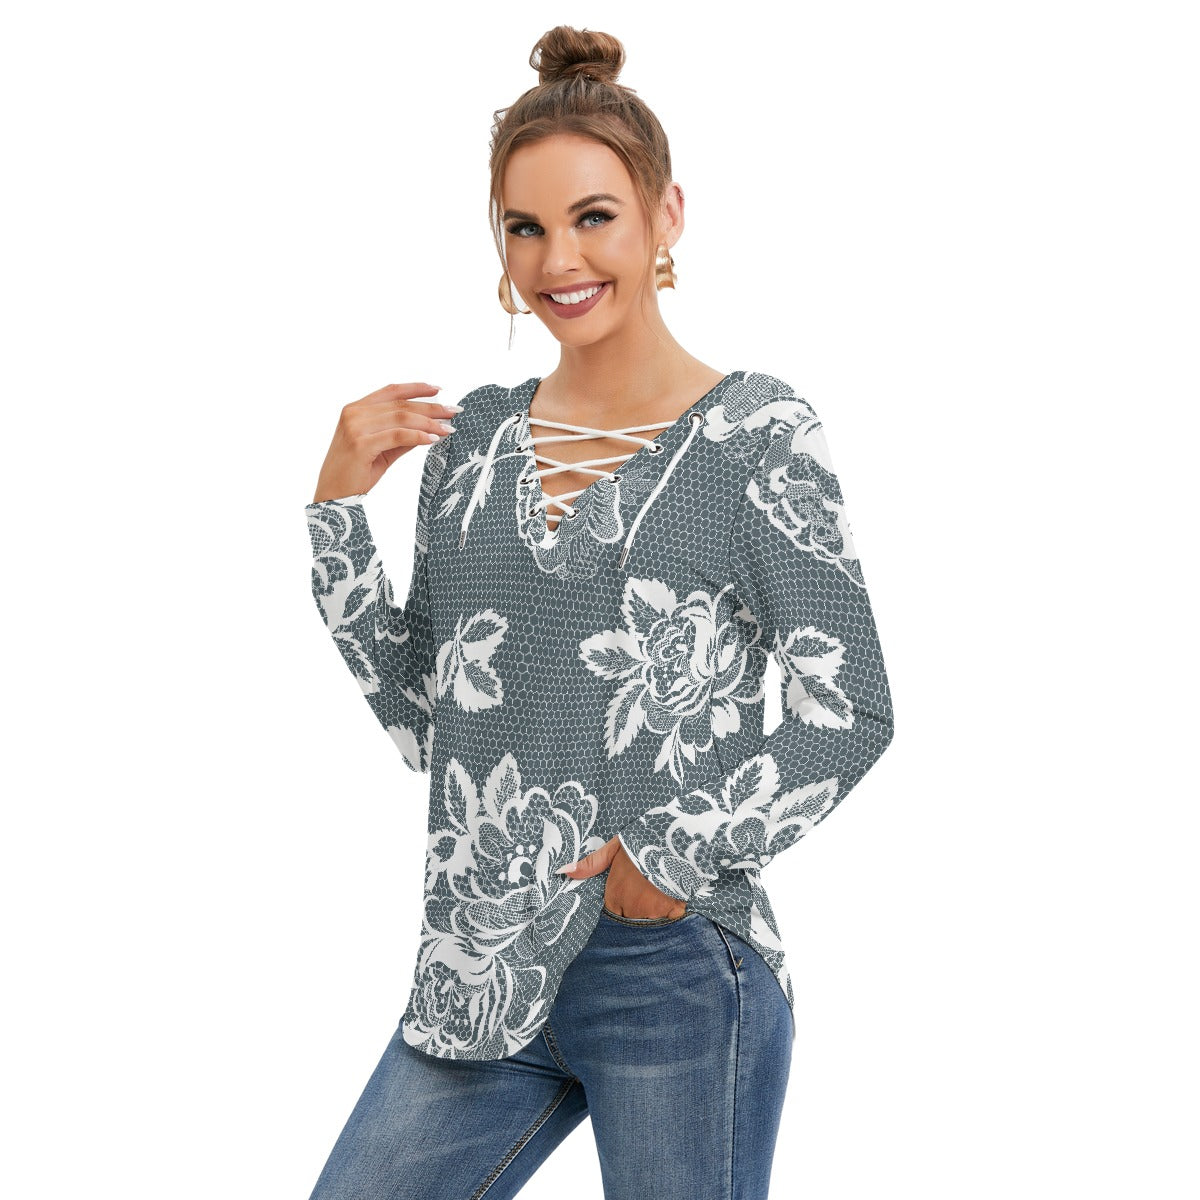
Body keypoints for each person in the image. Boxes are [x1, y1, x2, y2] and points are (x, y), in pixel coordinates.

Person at [303, 23, 895, 1200]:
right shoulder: (471, 442)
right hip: (477, 970)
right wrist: (335, 518)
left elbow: (852, 709)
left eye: (593, 217)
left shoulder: (756, 436)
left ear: (666, 215)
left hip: (666, 965)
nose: (558, 259)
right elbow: (432, 724)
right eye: (524, 226)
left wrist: (674, 854)